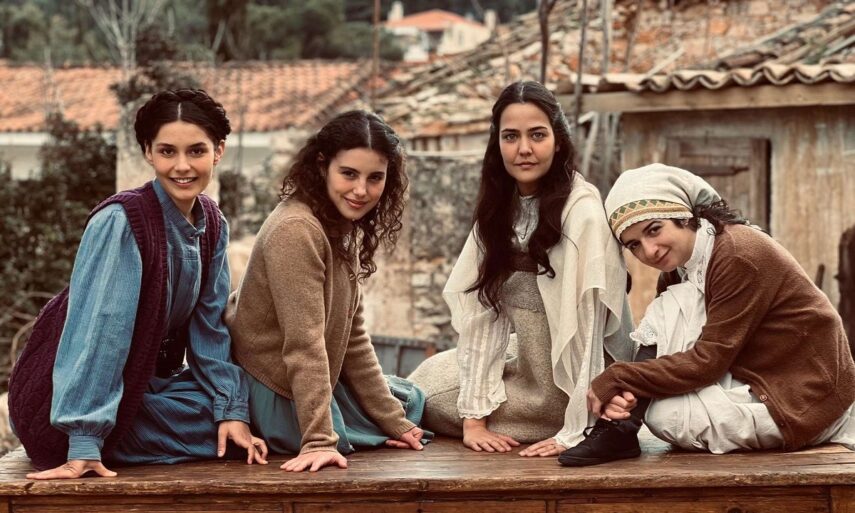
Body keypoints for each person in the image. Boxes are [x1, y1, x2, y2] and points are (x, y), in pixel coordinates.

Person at [9, 88, 268, 479]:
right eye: (167, 151)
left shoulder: (212, 224)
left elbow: (210, 328)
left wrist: (231, 409)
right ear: (148, 152)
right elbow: (101, 333)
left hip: (143, 388)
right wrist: (84, 440)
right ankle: (91, 439)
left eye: (196, 151)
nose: (182, 166)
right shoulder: (122, 221)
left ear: (218, 151)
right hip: (66, 403)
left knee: (254, 406)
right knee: (265, 426)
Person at [558, 163, 855, 466]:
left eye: (654, 229)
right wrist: (627, 388)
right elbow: (674, 346)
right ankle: (620, 428)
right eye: (634, 245)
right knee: (668, 329)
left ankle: (621, 429)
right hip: (755, 377)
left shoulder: (738, 254)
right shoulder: (682, 269)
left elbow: (709, 362)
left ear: (685, 216)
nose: (649, 251)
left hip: (807, 399)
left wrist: (619, 376)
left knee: (665, 415)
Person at [408, 81, 634, 457]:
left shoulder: (582, 212)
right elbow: (484, 313)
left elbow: (589, 331)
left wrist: (575, 429)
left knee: (423, 398)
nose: (524, 149)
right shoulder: (501, 210)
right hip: (529, 360)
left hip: (572, 387)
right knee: (433, 371)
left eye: (537, 135)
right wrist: (474, 420)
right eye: (511, 136)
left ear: (558, 141)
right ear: (497, 143)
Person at [226, 110, 429, 473]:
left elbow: (352, 337)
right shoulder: (296, 230)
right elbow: (303, 345)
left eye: (375, 178)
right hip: (276, 389)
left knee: (411, 402)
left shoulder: (340, 224)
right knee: (399, 412)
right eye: (348, 174)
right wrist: (319, 440)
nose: (361, 190)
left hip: (316, 379)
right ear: (322, 167)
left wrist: (394, 421)